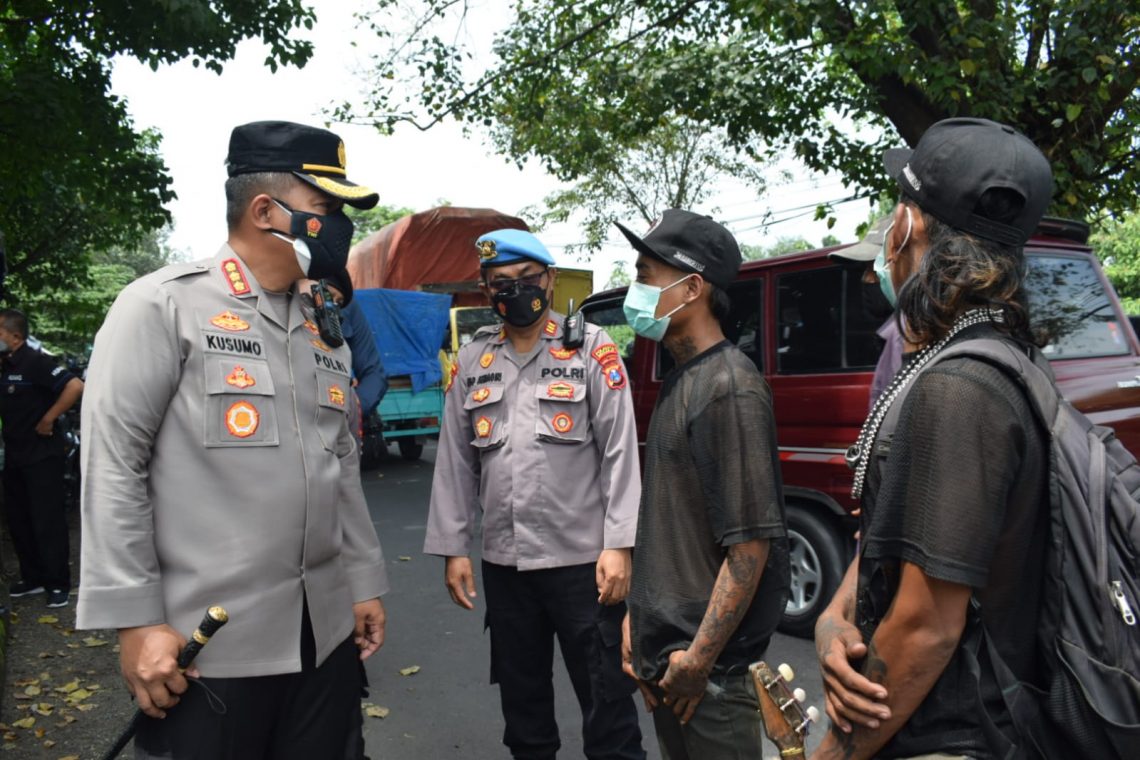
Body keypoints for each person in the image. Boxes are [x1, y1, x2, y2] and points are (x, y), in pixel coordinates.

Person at [77, 121, 389, 759]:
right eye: (326, 210)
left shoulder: (322, 325)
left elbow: (341, 466)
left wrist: (362, 581)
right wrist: (135, 621)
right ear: (265, 211)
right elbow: (113, 467)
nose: (339, 229)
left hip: (324, 642)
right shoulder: (163, 308)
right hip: (212, 652)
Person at [811, 117, 1054, 759]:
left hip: (950, 738)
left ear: (910, 225)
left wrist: (832, 752)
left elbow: (926, 627)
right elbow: (908, 533)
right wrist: (837, 615)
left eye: (896, 208)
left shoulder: (962, 387)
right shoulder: (987, 357)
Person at [424, 228, 645, 760]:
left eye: (525, 280)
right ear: (485, 291)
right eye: (500, 284)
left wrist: (620, 544)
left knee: (607, 705)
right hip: (507, 567)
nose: (514, 292)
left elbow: (620, 452)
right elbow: (456, 462)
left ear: (548, 280)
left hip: (584, 565)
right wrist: (455, 547)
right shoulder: (474, 361)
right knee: (524, 713)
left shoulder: (592, 348)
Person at [617, 209, 790, 759]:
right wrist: (637, 619)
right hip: (671, 666)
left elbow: (749, 548)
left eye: (646, 275)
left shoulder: (728, 388)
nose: (635, 289)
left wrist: (698, 660)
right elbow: (673, 524)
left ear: (691, 288)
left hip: (708, 680)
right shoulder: (682, 379)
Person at [0, 309, 83, 608]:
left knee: (46, 519)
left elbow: (74, 386)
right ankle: (32, 578)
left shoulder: (35, 361)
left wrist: (49, 418)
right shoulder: (5, 365)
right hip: (15, 454)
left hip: (42, 454)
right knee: (19, 519)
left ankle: (58, 583)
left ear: (15, 336)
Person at [828, 217, 905, 410]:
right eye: (864, 269)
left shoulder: (904, 338)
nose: (866, 278)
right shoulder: (892, 335)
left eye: (875, 266)